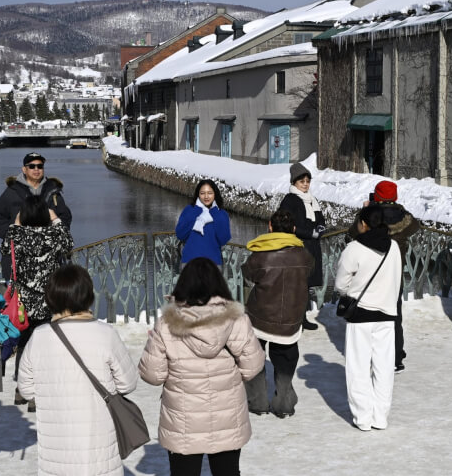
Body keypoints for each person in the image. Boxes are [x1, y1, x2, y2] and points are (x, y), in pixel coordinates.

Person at [139, 257, 264, 476]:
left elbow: (152, 375)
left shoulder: (167, 323)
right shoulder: (236, 319)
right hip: (227, 413)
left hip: (183, 419)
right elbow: (253, 365)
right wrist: (233, 377)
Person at [17, 264, 138, 476]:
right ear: (88, 296)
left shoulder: (39, 337)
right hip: (99, 454)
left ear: (51, 298)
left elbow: (26, 390)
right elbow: (128, 383)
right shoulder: (105, 333)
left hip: (56, 455)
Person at [2, 195, 73, 409]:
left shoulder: (16, 235)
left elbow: (5, 247)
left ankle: (20, 390)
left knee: (23, 344)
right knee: (44, 346)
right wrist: (54, 217)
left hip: (22, 303)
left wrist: (17, 221)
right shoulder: (53, 235)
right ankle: (37, 394)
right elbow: (68, 242)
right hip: (48, 300)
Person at [334, 205, 401, 432]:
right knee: (383, 368)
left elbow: (340, 285)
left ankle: (362, 418)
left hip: (361, 314)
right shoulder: (394, 247)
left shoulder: (354, 248)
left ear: (363, 223)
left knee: (358, 367)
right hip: (387, 314)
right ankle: (380, 417)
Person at [241, 209, 313, 418]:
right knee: (286, 361)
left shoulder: (260, 254)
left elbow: (248, 275)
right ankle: (284, 403)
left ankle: (258, 402)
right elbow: (310, 272)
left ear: (270, 227)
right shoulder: (304, 254)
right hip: (291, 319)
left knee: (254, 358)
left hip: (260, 317)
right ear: (293, 229)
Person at [349, 180, 419, 372]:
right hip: (395, 271)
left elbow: (353, 232)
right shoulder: (404, 217)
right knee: (394, 314)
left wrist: (364, 210)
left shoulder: (370, 216)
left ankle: (374, 355)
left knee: (372, 314)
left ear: (377, 196)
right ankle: (397, 356)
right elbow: (415, 226)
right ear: (394, 197)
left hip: (371, 271)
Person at [0, 152, 72, 281]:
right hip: (19, 262)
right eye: (32, 166)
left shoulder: (52, 191)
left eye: (40, 166)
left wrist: (55, 231)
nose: (36, 169)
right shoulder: (12, 191)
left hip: (50, 260)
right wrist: (13, 234)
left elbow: (65, 216)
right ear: (24, 169)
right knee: (20, 298)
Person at [277, 162, 326, 330]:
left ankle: (303, 318)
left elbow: (320, 220)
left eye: (307, 181)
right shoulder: (290, 200)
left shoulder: (312, 200)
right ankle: (295, 319)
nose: (305, 184)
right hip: (297, 248)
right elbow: (287, 224)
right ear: (294, 183)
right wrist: (309, 233)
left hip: (311, 248)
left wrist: (320, 228)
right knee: (296, 285)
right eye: (301, 181)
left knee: (305, 285)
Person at [175, 179, 231, 267]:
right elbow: (180, 234)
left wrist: (214, 212)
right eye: (202, 193)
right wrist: (196, 210)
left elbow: (223, 239)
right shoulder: (190, 210)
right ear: (198, 195)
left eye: (210, 193)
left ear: (215, 194)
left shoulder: (221, 214)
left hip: (213, 263)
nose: (206, 196)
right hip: (190, 262)